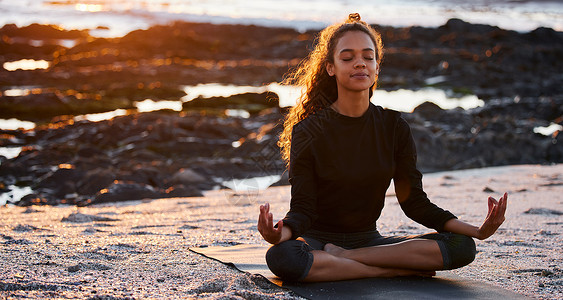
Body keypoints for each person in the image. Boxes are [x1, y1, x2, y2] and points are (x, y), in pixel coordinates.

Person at [257, 13, 507, 282]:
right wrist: (278, 234)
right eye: (348, 57)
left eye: (368, 56)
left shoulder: (393, 126)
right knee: (283, 256)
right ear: (330, 67)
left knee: (462, 246)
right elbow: (303, 210)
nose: (360, 64)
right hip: (318, 242)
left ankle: (345, 259)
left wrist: (477, 231)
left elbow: (415, 203)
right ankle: (393, 269)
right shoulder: (308, 130)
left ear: (377, 66)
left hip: (368, 243)